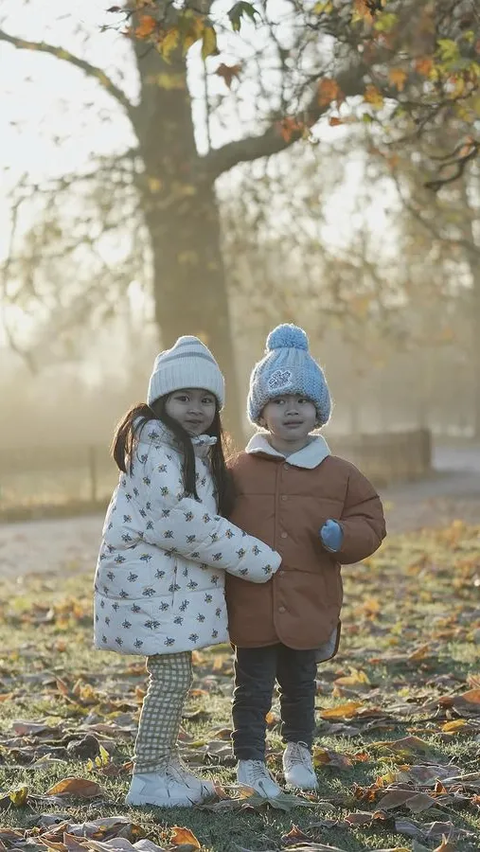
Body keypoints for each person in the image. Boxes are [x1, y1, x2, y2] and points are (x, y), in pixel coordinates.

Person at [93, 335, 281, 808]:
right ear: (161, 401)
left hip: (164, 589)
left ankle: (166, 764)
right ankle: (149, 776)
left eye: (205, 400)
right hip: (148, 586)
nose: (195, 408)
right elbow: (181, 522)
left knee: (177, 676)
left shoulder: (190, 451)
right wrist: (257, 559)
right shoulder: (155, 448)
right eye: (183, 398)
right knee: (172, 678)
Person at [225, 324, 386, 797]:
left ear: (318, 410)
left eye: (301, 399)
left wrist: (343, 537)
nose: (290, 408)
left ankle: (297, 750)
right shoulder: (237, 471)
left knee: (301, 687)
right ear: (261, 411)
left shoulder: (340, 475)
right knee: (250, 691)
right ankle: (250, 762)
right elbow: (210, 522)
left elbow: (370, 520)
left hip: (308, 601)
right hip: (252, 603)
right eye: (278, 400)